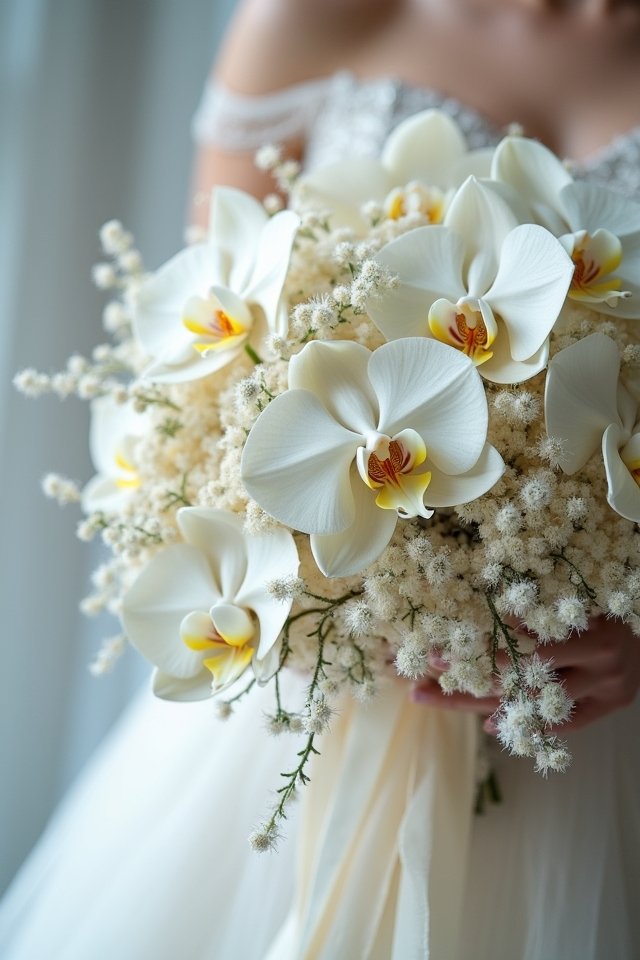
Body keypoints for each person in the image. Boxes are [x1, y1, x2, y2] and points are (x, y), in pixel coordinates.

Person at [2, 1, 640, 957]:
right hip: (319, 690)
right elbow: (203, 368)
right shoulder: (308, 18)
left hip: (596, 717)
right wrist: (333, 582)